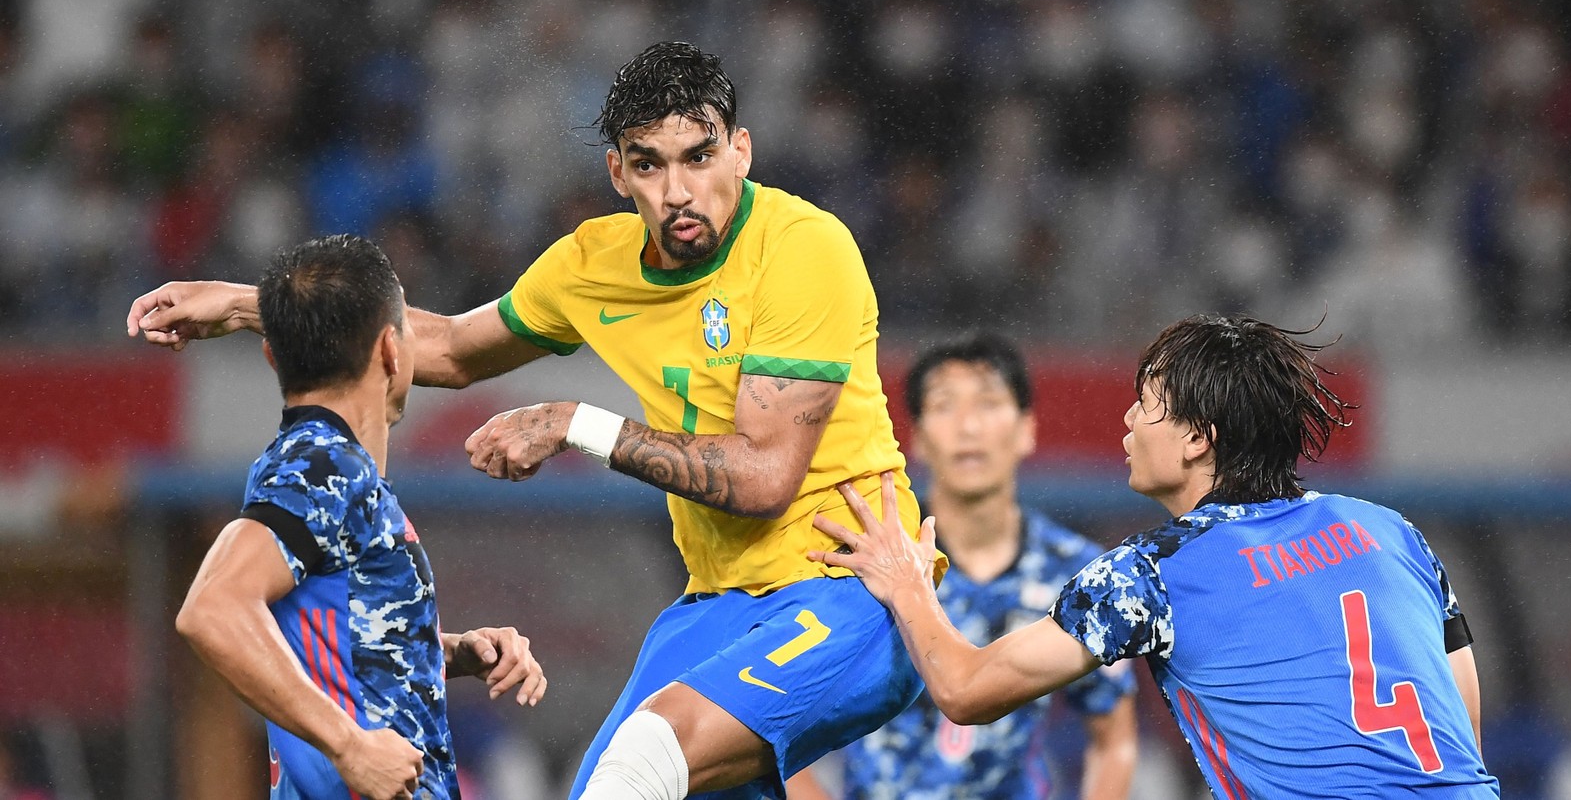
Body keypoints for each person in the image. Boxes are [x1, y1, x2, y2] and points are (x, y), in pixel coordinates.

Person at [132, 42, 940, 800]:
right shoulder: (592, 264)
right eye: (651, 165)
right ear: (618, 172)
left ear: (742, 152)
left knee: (640, 762)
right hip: (718, 606)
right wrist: (248, 303)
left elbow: (765, 478)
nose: (680, 190)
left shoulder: (804, 249)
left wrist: (574, 422)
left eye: (700, 156)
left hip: (852, 585)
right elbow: (445, 348)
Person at [810, 315, 1502, 799]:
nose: (1128, 422)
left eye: (1145, 406)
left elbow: (964, 689)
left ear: (1199, 438)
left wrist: (904, 579)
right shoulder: (1389, 530)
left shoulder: (1152, 572)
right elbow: (1460, 719)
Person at [174, 235, 547, 800]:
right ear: (393, 352)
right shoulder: (320, 465)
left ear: (272, 355)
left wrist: (447, 650)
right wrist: (350, 746)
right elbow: (212, 606)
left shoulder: (329, 467)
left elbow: (343, 642)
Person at [788, 335, 1136, 800]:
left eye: (989, 403)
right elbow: (773, 720)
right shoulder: (869, 560)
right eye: (944, 405)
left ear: (1028, 428)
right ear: (916, 437)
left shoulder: (1078, 576)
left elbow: (1113, 739)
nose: (968, 426)